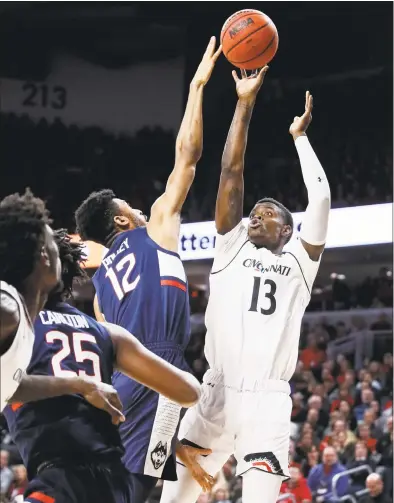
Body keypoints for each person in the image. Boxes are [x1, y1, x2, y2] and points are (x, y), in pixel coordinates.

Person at [161, 68, 331, 503]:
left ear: (289, 231)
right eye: (254, 210)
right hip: (215, 394)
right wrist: (244, 103)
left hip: (267, 404)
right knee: (171, 500)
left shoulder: (300, 262)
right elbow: (231, 169)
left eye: (269, 212)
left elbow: (322, 198)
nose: (257, 214)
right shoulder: (231, 245)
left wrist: (300, 138)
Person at [74, 37, 221, 500]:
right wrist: (197, 86)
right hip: (159, 368)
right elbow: (188, 158)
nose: (140, 208)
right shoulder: (154, 228)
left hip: (123, 378)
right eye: (130, 206)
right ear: (121, 220)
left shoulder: (100, 283)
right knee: (140, 491)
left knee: (120, 486)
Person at [3, 230, 201, 503]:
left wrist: (81, 385)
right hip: (113, 484)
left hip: (60, 481)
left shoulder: (15, 322)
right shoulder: (108, 333)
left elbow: (7, 385)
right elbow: (189, 392)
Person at [0, 189, 123, 421]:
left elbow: (13, 387)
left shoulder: (22, 319)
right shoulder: (8, 308)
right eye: (55, 246)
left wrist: (82, 385)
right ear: (45, 256)